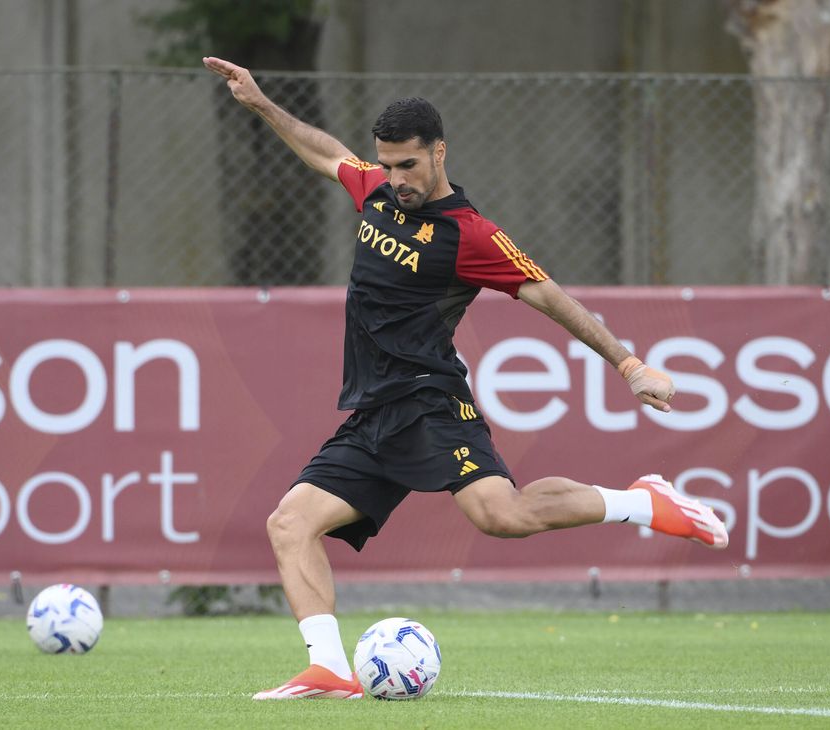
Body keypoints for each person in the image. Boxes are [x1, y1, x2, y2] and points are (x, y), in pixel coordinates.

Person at [203, 56, 728, 701]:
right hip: (375, 412)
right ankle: (330, 670)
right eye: (387, 164)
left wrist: (628, 364)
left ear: (440, 152)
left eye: (409, 165)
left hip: (429, 400)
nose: (395, 178)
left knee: (501, 515)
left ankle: (647, 502)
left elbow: (550, 295)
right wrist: (259, 102)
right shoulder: (375, 189)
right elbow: (327, 154)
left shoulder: (471, 235)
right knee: (289, 524)